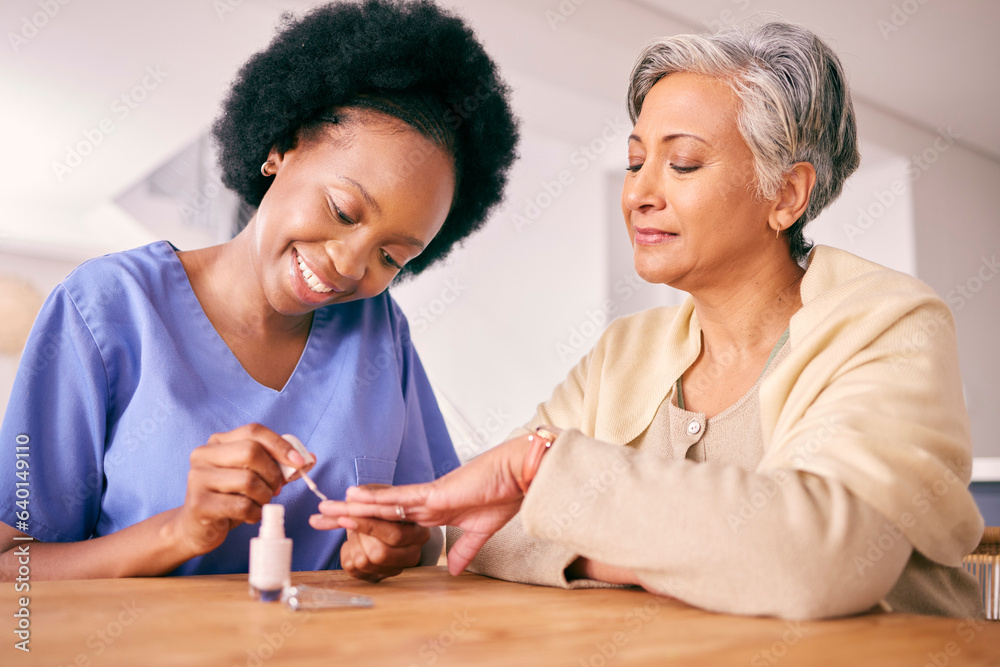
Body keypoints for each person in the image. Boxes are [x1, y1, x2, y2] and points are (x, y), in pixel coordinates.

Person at [313, 22, 986, 619]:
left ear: (786, 194)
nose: (638, 191)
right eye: (636, 160)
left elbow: (815, 562)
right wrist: (692, 560)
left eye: (683, 162)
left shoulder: (890, 326)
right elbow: (489, 530)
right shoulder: (624, 353)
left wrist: (546, 477)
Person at [0, 0, 518, 582]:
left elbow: (425, 528)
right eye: (344, 210)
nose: (350, 267)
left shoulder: (380, 331)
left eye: (391, 255)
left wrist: (399, 546)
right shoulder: (103, 308)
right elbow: (11, 571)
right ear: (281, 147)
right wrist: (180, 531)